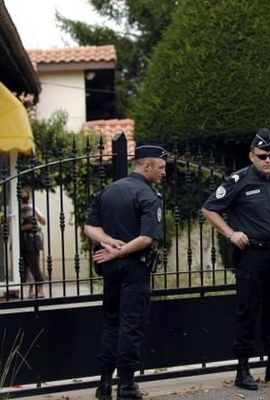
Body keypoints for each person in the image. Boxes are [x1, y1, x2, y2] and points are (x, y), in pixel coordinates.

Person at [202, 128, 270, 390]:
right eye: (262, 156)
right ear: (251, 156)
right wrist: (230, 233)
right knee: (247, 311)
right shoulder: (239, 180)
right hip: (251, 255)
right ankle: (243, 369)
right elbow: (209, 209)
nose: (268, 160)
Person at [84, 142, 167, 400]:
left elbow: (90, 227)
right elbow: (145, 239)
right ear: (146, 165)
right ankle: (127, 386)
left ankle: (105, 384)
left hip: (110, 268)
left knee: (111, 324)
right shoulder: (148, 196)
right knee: (131, 326)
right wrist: (117, 248)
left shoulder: (108, 191)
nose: (164, 172)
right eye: (161, 167)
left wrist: (107, 241)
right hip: (134, 267)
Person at [19, 190, 46, 299]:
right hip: (24, 241)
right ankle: (30, 291)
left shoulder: (30, 208)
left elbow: (38, 222)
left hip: (31, 240)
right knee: (26, 266)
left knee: (34, 265)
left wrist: (19, 228)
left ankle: (40, 290)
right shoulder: (19, 210)